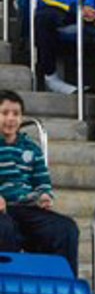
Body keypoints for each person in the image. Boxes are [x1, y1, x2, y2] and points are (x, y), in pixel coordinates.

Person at [0, 90, 80, 275]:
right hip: (2, 210)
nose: (10, 118)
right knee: (4, 229)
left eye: (16, 114)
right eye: (4, 113)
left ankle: (62, 284)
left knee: (65, 229)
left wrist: (44, 195)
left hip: (26, 207)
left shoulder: (32, 148)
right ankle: (7, 283)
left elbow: (42, 180)